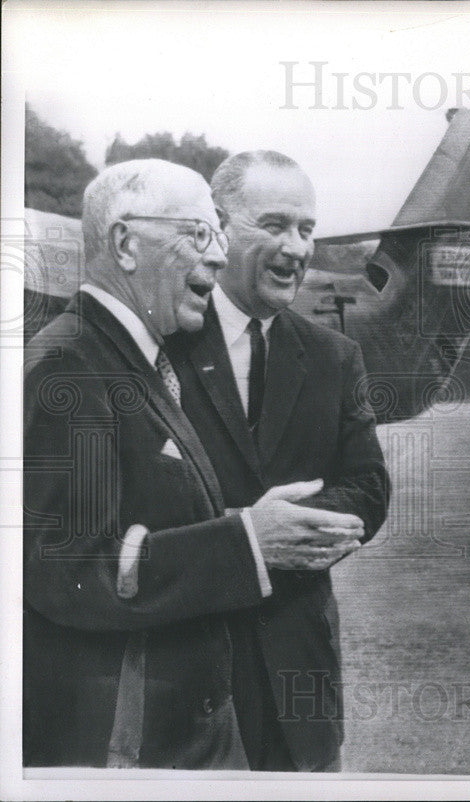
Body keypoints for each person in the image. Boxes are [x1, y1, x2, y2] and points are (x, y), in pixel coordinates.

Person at [22, 159, 361, 769]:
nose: (217, 258)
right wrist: (250, 542)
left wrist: (245, 527)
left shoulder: (135, 360)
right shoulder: (72, 366)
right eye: (199, 234)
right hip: (123, 747)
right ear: (126, 244)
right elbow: (69, 570)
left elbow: (141, 524)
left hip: (185, 737)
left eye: (220, 238)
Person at [166, 151, 390, 771]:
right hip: (188, 673)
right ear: (217, 226)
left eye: (307, 228)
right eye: (275, 225)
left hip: (302, 681)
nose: (296, 248)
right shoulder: (162, 340)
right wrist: (245, 537)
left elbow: (369, 488)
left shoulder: (333, 356)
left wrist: (291, 530)